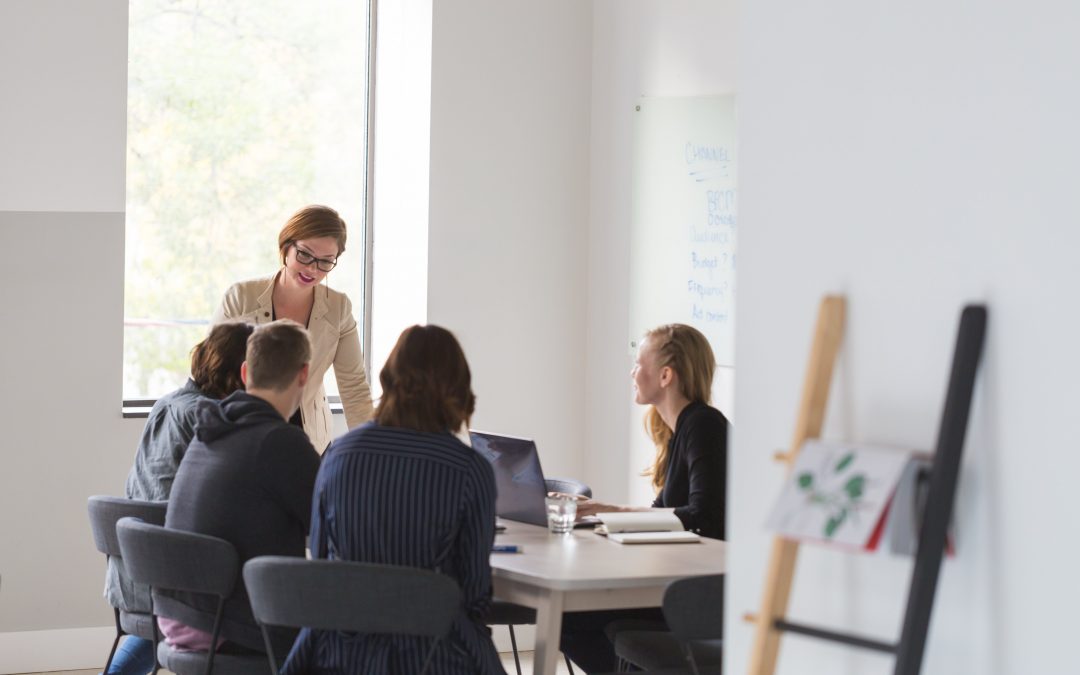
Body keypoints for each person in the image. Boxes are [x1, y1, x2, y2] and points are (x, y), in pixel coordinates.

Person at [282, 325, 505, 675]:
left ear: (389, 378)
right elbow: (475, 593)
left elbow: (323, 565)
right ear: (458, 386)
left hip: (341, 654)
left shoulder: (338, 455)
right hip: (434, 656)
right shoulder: (469, 468)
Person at [560, 323, 729, 673]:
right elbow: (665, 514)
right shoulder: (682, 429)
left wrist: (610, 511)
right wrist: (600, 515)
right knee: (571, 616)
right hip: (682, 582)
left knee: (570, 617)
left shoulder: (704, 425)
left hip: (700, 593)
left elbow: (702, 517)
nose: (632, 372)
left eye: (639, 363)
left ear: (666, 375)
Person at [156, 320, 321, 656]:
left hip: (179, 613)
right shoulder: (281, 442)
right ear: (303, 375)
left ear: (246, 372)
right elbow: (333, 527)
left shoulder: (210, 429)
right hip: (231, 625)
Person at [101, 321, 254, 675]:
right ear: (243, 372)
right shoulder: (210, 417)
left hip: (133, 576)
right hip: (175, 587)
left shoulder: (166, 404)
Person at [213, 204, 374, 452]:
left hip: (309, 442)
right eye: (305, 255)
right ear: (286, 247)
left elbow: (353, 388)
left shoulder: (338, 308)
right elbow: (213, 375)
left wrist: (372, 452)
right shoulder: (240, 297)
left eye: (325, 262)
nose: (312, 268)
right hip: (245, 436)